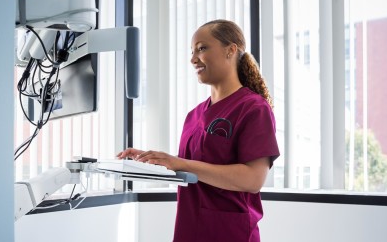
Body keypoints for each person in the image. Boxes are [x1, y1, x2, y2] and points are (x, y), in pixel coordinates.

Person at [117, 19, 280, 242]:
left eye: (202, 48)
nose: (193, 59)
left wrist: (180, 163)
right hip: (190, 229)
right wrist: (152, 162)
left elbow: (253, 180)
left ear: (230, 50)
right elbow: (192, 173)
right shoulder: (194, 115)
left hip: (229, 233)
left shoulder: (253, 108)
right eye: (192, 51)